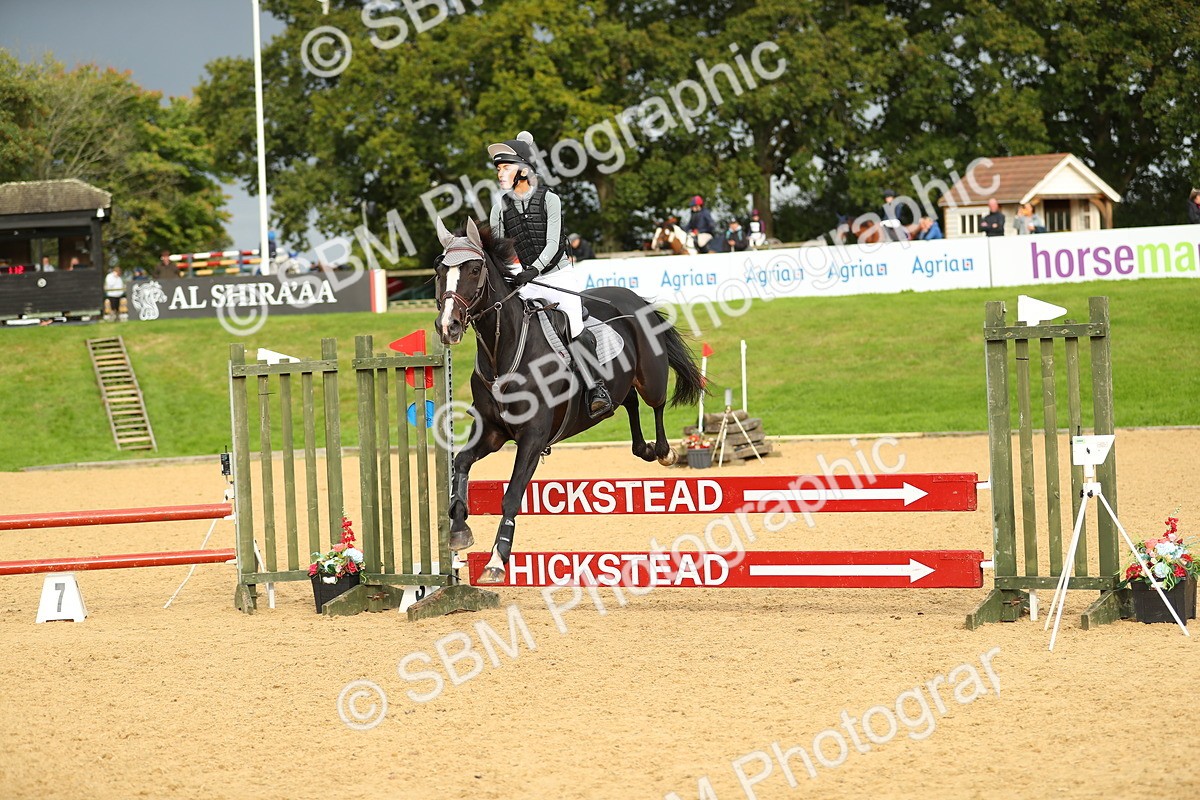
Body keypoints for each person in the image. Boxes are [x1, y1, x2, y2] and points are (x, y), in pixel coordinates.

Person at [487, 130, 613, 417]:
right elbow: (500, 248)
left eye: (505, 167)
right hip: (523, 279)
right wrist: (515, 272)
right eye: (498, 168)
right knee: (502, 324)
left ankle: (596, 388)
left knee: (572, 322)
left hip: (555, 276)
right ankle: (494, 393)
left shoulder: (549, 200)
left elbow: (554, 244)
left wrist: (533, 269)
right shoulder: (499, 209)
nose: (500, 173)